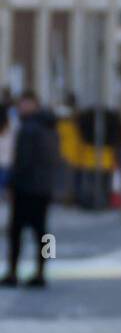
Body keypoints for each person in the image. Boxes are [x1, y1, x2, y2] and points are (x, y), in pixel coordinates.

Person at [3, 91, 61, 288]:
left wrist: (12, 184)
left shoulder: (28, 128)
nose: (21, 107)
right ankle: (41, 271)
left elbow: (23, 161)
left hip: (26, 187)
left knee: (16, 231)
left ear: (32, 105)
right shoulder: (51, 126)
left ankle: (13, 272)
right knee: (42, 232)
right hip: (44, 187)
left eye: (24, 104)